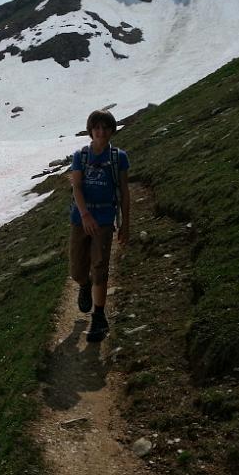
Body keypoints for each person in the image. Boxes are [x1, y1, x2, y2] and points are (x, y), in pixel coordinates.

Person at [69, 109, 130, 342]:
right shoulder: (80, 156)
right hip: (81, 218)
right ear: (90, 131)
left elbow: (124, 192)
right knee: (77, 269)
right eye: (97, 128)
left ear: (112, 130)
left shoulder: (118, 157)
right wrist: (84, 215)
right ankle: (83, 285)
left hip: (105, 217)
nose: (101, 132)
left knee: (100, 265)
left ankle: (99, 316)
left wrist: (125, 224)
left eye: (105, 128)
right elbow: (76, 187)